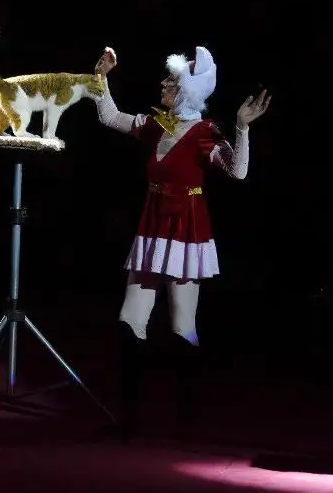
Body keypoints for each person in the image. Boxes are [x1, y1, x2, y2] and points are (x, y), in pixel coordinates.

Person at [94, 45, 271, 438]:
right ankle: (129, 419)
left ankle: (185, 421)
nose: (162, 84)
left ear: (187, 91)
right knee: (129, 322)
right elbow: (108, 116)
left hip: (187, 230)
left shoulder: (206, 133)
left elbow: (238, 172)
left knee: (182, 327)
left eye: (171, 81)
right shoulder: (155, 124)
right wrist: (101, 78)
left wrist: (242, 128)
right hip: (152, 226)